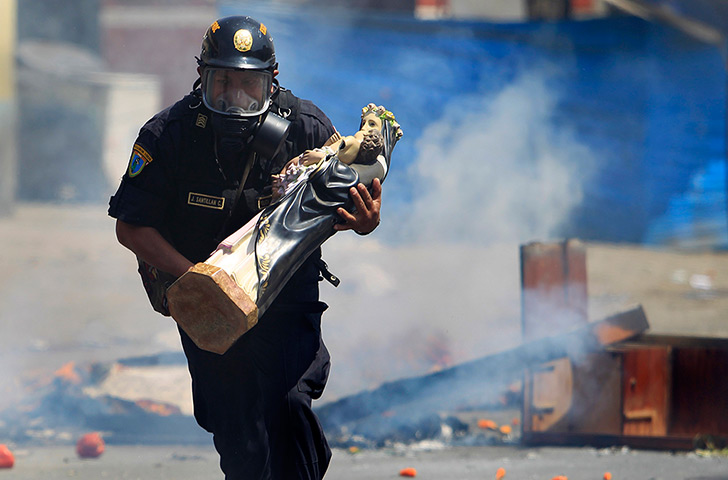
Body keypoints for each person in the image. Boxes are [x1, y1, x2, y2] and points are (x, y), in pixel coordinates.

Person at [108, 15, 381, 480]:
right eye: (222, 84)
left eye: (249, 86)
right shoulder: (167, 135)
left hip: (287, 298)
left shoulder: (309, 128)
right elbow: (132, 227)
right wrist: (199, 279)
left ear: (272, 83)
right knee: (239, 436)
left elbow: (358, 192)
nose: (235, 99)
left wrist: (366, 221)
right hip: (208, 307)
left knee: (291, 408)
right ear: (202, 79)